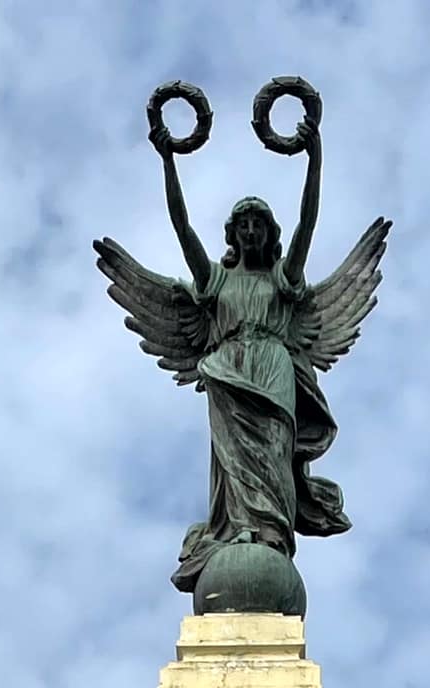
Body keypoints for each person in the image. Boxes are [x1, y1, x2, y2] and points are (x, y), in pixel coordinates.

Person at [148, 107, 348, 592]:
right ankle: (236, 527)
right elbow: (182, 229)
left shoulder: (284, 280)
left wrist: (313, 157)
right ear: (234, 235)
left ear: (268, 233)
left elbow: (308, 223)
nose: (251, 232)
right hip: (227, 365)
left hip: (273, 365)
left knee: (274, 451)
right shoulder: (215, 281)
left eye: (258, 225)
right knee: (234, 460)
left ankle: (272, 533)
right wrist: (168, 161)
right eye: (243, 226)